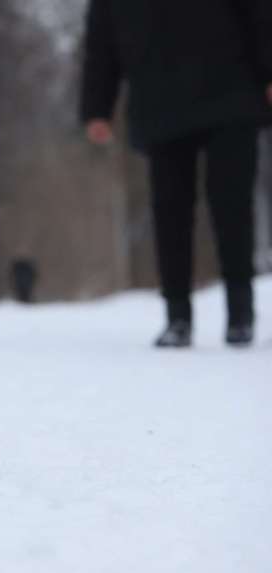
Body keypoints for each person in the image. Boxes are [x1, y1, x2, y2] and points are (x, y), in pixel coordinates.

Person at [81, 0, 272, 347]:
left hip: (230, 90)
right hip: (160, 99)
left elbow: (259, 10)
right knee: (170, 211)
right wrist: (97, 107)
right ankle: (177, 316)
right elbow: (102, 37)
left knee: (232, 205)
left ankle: (240, 312)